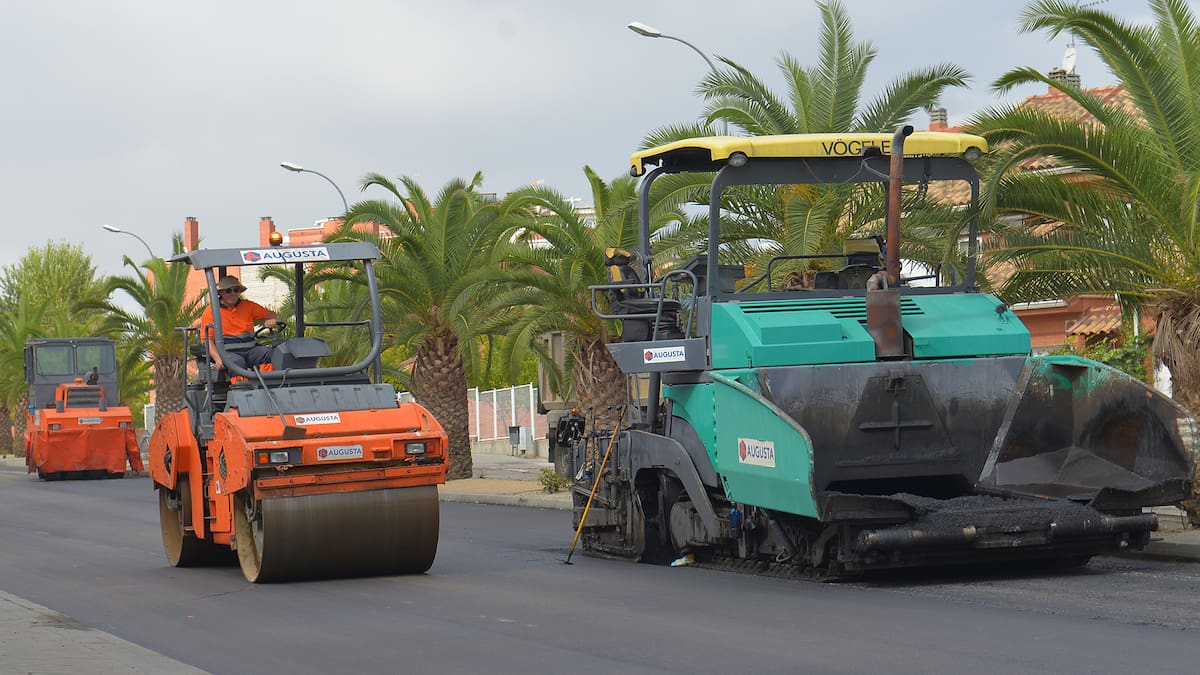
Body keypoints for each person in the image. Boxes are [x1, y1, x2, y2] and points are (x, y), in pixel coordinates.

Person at [199, 275, 279, 372]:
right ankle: (241, 386)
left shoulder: (248, 306)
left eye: (236, 290)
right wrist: (217, 359)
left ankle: (270, 383)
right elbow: (208, 340)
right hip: (227, 352)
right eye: (228, 291)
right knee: (237, 362)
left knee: (271, 354)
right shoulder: (211, 311)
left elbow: (273, 315)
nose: (232, 293)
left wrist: (271, 320)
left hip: (251, 350)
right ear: (221, 293)